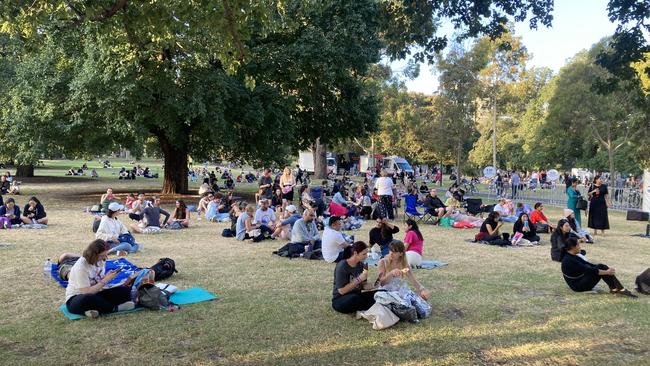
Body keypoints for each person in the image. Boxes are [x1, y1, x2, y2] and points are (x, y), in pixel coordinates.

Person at [65, 239, 136, 318]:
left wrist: (108, 277)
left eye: (105, 255)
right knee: (87, 299)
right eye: (102, 255)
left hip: (97, 293)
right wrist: (106, 280)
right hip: (77, 298)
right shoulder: (81, 267)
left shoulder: (101, 261)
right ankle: (115, 308)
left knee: (125, 291)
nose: (104, 258)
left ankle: (92, 309)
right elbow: (86, 292)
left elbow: (99, 281)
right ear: (94, 254)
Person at [561, 237, 636, 297]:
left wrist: (606, 270)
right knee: (601, 268)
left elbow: (589, 264)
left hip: (580, 280)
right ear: (572, 247)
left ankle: (616, 288)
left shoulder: (572, 256)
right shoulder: (569, 260)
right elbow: (590, 270)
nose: (580, 247)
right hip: (578, 286)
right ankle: (618, 289)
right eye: (578, 245)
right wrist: (607, 272)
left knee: (601, 266)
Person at [331, 241, 378, 314]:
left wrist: (374, 285)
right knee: (355, 299)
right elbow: (342, 291)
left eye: (367, 253)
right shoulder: (342, 266)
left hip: (356, 295)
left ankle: (374, 306)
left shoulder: (362, 265)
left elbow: (363, 286)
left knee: (379, 294)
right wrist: (358, 279)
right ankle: (373, 307)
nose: (366, 256)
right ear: (355, 253)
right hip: (340, 299)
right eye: (364, 254)